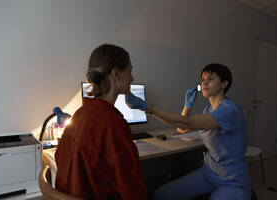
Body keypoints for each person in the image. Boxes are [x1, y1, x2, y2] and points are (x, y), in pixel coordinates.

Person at [125, 63, 251, 200]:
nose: (204, 83)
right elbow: (182, 128)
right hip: (209, 173)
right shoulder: (209, 109)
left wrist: (148, 108)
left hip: (232, 180)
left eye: (210, 79)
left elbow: (187, 123)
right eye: (202, 80)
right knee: (161, 195)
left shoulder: (229, 110)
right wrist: (187, 106)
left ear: (224, 84)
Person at [55, 44, 148, 200]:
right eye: (130, 71)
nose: (132, 78)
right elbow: (132, 190)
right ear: (116, 74)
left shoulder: (80, 114)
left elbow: (59, 158)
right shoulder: (114, 124)